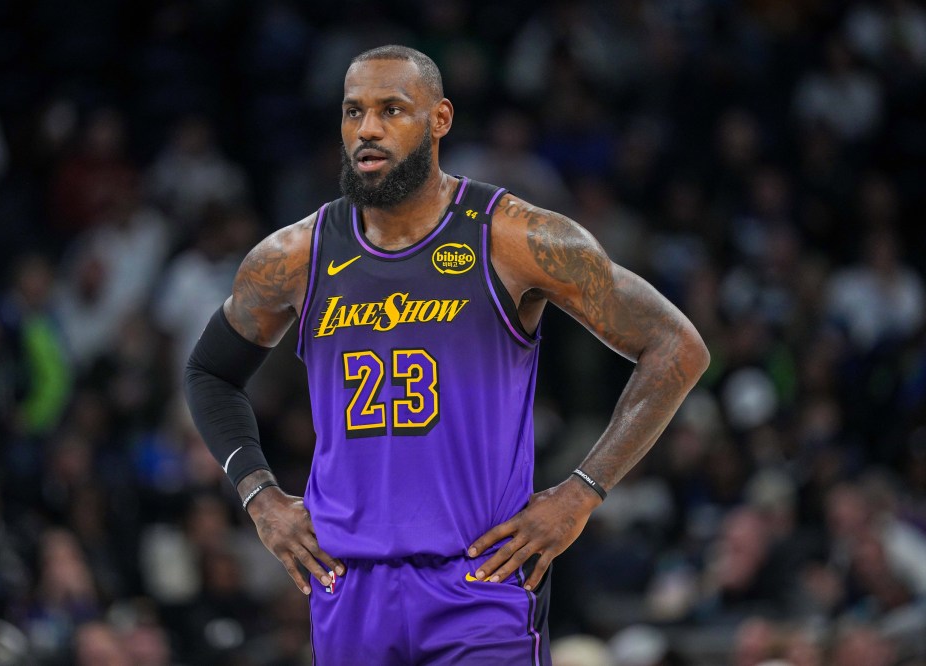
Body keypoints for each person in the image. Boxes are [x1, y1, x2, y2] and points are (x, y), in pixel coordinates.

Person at [184, 45, 709, 665]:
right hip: (348, 585)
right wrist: (261, 500)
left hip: (480, 584)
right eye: (353, 112)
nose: (368, 129)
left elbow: (677, 346)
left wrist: (582, 493)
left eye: (392, 110)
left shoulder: (514, 236)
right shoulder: (293, 256)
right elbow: (208, 372)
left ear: (440, 120)